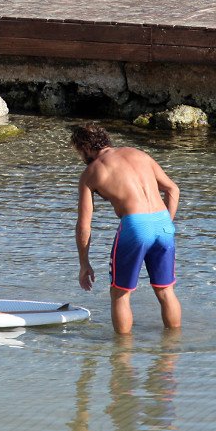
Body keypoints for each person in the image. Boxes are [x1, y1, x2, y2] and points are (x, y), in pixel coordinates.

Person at [71, 124, 181, 334]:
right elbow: (172, 188)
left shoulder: (91, 173)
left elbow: (84, 225)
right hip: (163, 223)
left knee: (120, 294)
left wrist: (84, 264)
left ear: (85, 147)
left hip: (135, 227)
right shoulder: (139, 154)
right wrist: (165, 223)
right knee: (166, 291)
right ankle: (171, 353)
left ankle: (122, 359)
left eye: (79, 152)